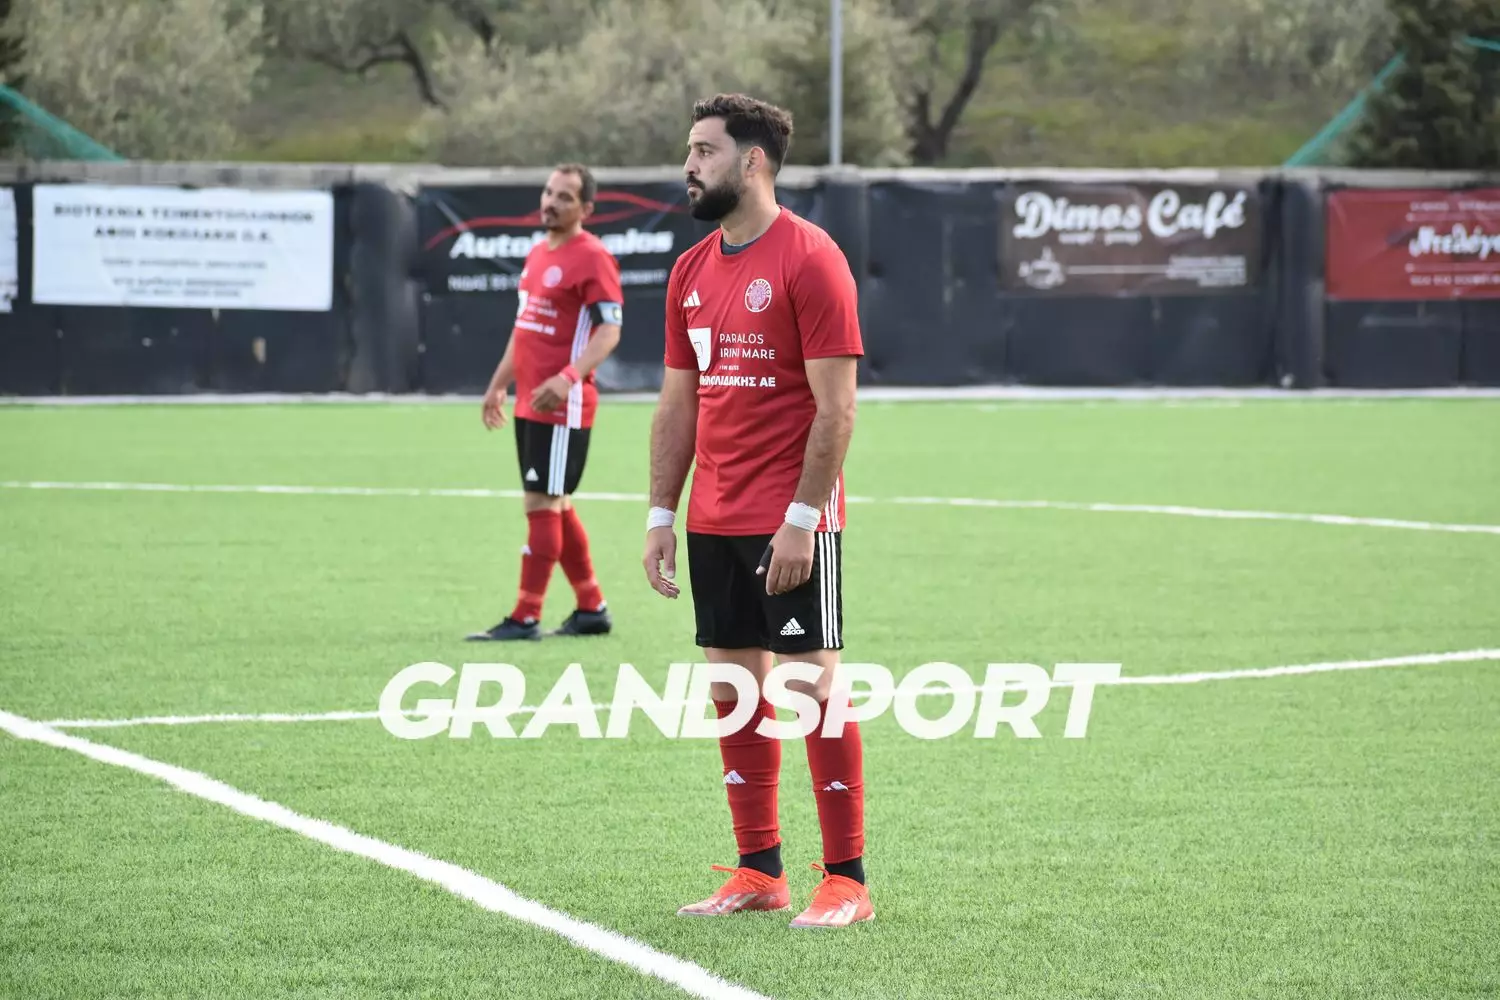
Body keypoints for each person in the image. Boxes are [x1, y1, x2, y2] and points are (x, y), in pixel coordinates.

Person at [643, 94, 872, 928]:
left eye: (704, 151)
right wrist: (661, 515)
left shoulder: (812, 259)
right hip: (712, 518)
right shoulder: (690, 271)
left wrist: (803, 520)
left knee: (812, 690)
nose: (689, 165)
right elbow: (679, 405)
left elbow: (836, 410)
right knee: (736, 693)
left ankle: (846, 880)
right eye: (689, 150)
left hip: (791, 521)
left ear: (753, 162)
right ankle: (759, 870)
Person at [469, 164, 622, 642]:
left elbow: (610, 330)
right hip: (531, 403)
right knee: (556, 503)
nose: (551, 202)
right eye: (549, 192)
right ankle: (591, 607)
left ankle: (525, 616)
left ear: (586, 209)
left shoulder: (593, 257)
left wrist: (568, 377)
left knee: (542, 501)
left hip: (563, 406)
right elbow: (525, 329)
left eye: (564, 197)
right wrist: (498, 384)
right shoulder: (537, 253)